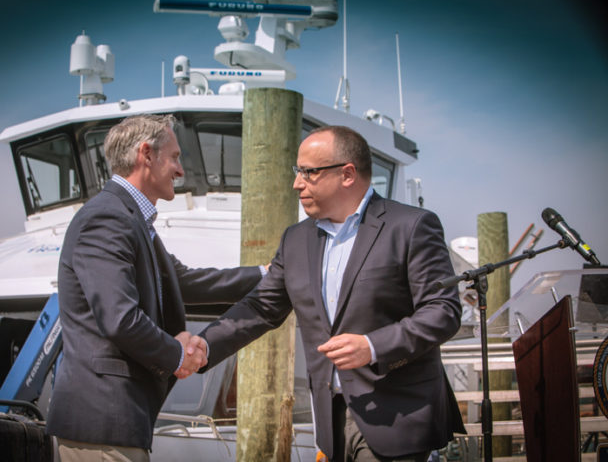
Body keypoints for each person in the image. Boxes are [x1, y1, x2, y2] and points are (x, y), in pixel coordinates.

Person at [198, 125, 465, 461]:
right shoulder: (295, 239)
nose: (297, 184)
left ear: (347, 174)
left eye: (309, 173)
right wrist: (203, 345)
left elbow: (443, 311)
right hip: (329, 421)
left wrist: (372, 346)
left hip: (399, 415)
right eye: (298, 172)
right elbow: (261, 307)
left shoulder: (411, 226)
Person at [46, 114, 263, 462]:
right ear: (146, 155)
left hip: (117, 422)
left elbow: (185, 281)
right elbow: (119, 318)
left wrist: (265, 274)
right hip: (103, 422)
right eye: (175, 157)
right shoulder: (109, 218)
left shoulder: (128, 218)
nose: (180, 170)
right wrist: (178, 355)